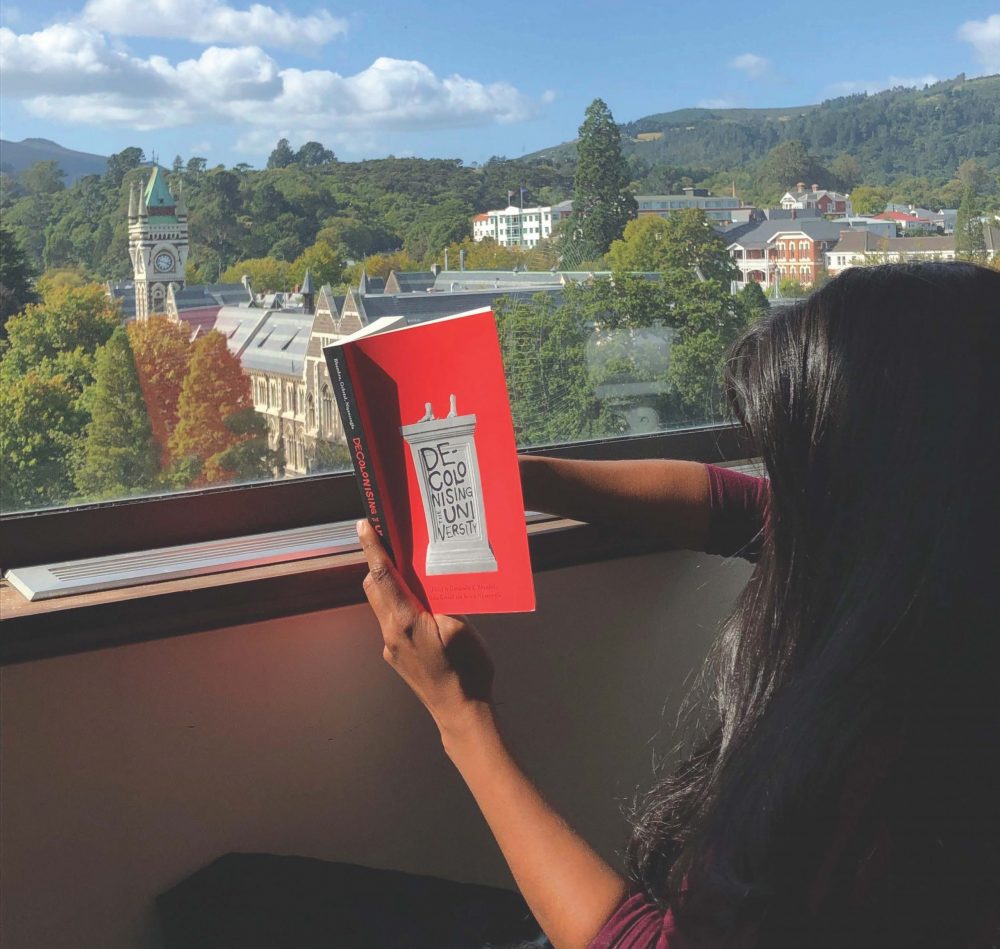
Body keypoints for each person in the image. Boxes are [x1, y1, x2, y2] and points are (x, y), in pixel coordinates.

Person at [355, 262, 999, 948]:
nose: (779, 492)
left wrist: (461, 716)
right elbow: (748, 510)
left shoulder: (858, 761)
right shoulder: (952, 588)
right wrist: (520, 480)